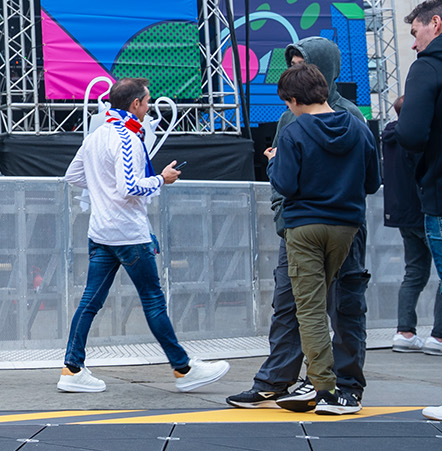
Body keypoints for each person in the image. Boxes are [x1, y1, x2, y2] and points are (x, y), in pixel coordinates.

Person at [228, 36, 374, 408]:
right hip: (317, 224)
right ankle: (279, 379)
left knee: (342, 307)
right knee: (290, 304)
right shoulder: (291, 119)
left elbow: (287, 176)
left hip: (325, 227)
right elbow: (371, 179)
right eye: (292, 65)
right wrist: (284, 217)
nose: (295, 72)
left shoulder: (351, 116)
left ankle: (338, 385)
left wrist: (279, 171)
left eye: (302, 66)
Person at [60, 78, 229, 393]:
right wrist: (162, 179)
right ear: (135, 104)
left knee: (90, 301)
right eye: (147, 101)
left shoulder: (96, 136)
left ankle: (72, 369)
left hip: (101, 232)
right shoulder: (127, 138)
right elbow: (130, 187)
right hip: (128, 233)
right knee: (153, 301)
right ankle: (183, 368)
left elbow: (73, 176)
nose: (149, 106)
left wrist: (102, 190)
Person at [263, 63, 380, 414]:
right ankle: (340, 385)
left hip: (304, 228)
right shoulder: (359, 128)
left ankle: (324, 389)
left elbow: (285, 184)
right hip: (346, 227)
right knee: (341, 303)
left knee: (310, 308)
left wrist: (272, 162)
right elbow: (372, 183)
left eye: (288, 103)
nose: (288, 108)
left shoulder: (294, 133)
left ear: (296, 100)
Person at [394, 0, 442, 422]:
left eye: (415, 33)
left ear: (436, 22)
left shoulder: (428, 67)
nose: (414, 44)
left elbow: (410, 134)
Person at [385, 95, 442, 354]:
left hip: (403, 215)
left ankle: (405, 331)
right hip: (428, 210)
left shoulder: (389, 137)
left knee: (414, 273)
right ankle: (441, 336)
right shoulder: (419, 140)